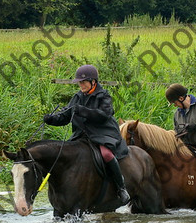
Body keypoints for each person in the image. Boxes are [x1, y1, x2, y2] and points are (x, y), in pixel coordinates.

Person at [43, 65, 131, 205]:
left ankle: (121, 188)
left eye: (83, 82)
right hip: (81, 136)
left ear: (93, 82)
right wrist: (51, 120)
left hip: (102, 134)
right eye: (79, 82)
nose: (81, 85)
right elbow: (65, 116)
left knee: (107, 155)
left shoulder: (104, 96)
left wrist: (82, 110)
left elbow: (104, 115)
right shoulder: (77, 97)